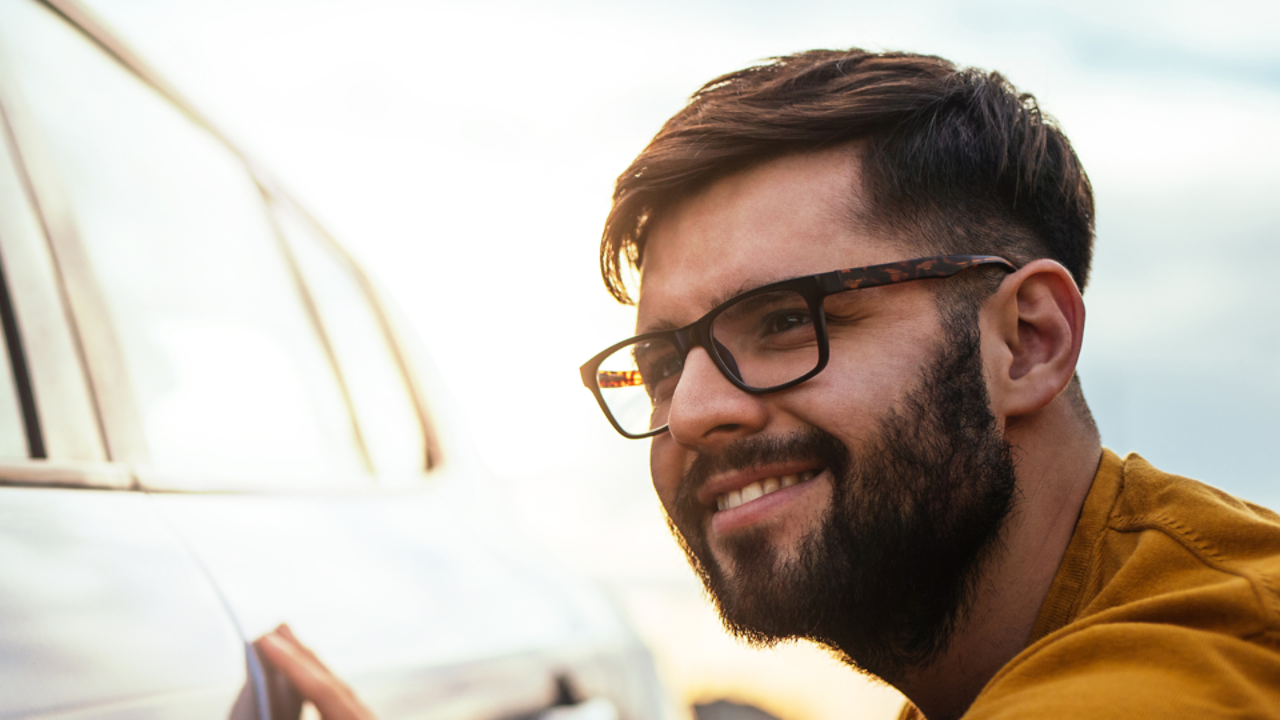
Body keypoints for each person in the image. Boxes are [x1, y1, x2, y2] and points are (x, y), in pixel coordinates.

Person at [262, 48, 1280, 719]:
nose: (695, 413)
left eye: (786, 320)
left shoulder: (1183, 673)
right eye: (663, 364)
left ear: (1026, 342)